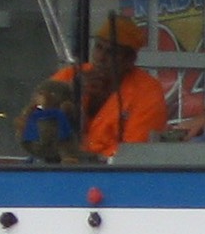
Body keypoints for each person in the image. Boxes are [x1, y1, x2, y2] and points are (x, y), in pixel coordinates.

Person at [37, 12, 167, 160]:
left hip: (113, 175)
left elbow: (136, 152)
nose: (101, 58)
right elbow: (34, 125)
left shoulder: (147, 92)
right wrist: (70, 93)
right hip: (59, 168)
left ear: (129, 60)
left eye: (111, 52)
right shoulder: (69, 76)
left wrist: (89, 159)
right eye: (98, 47)